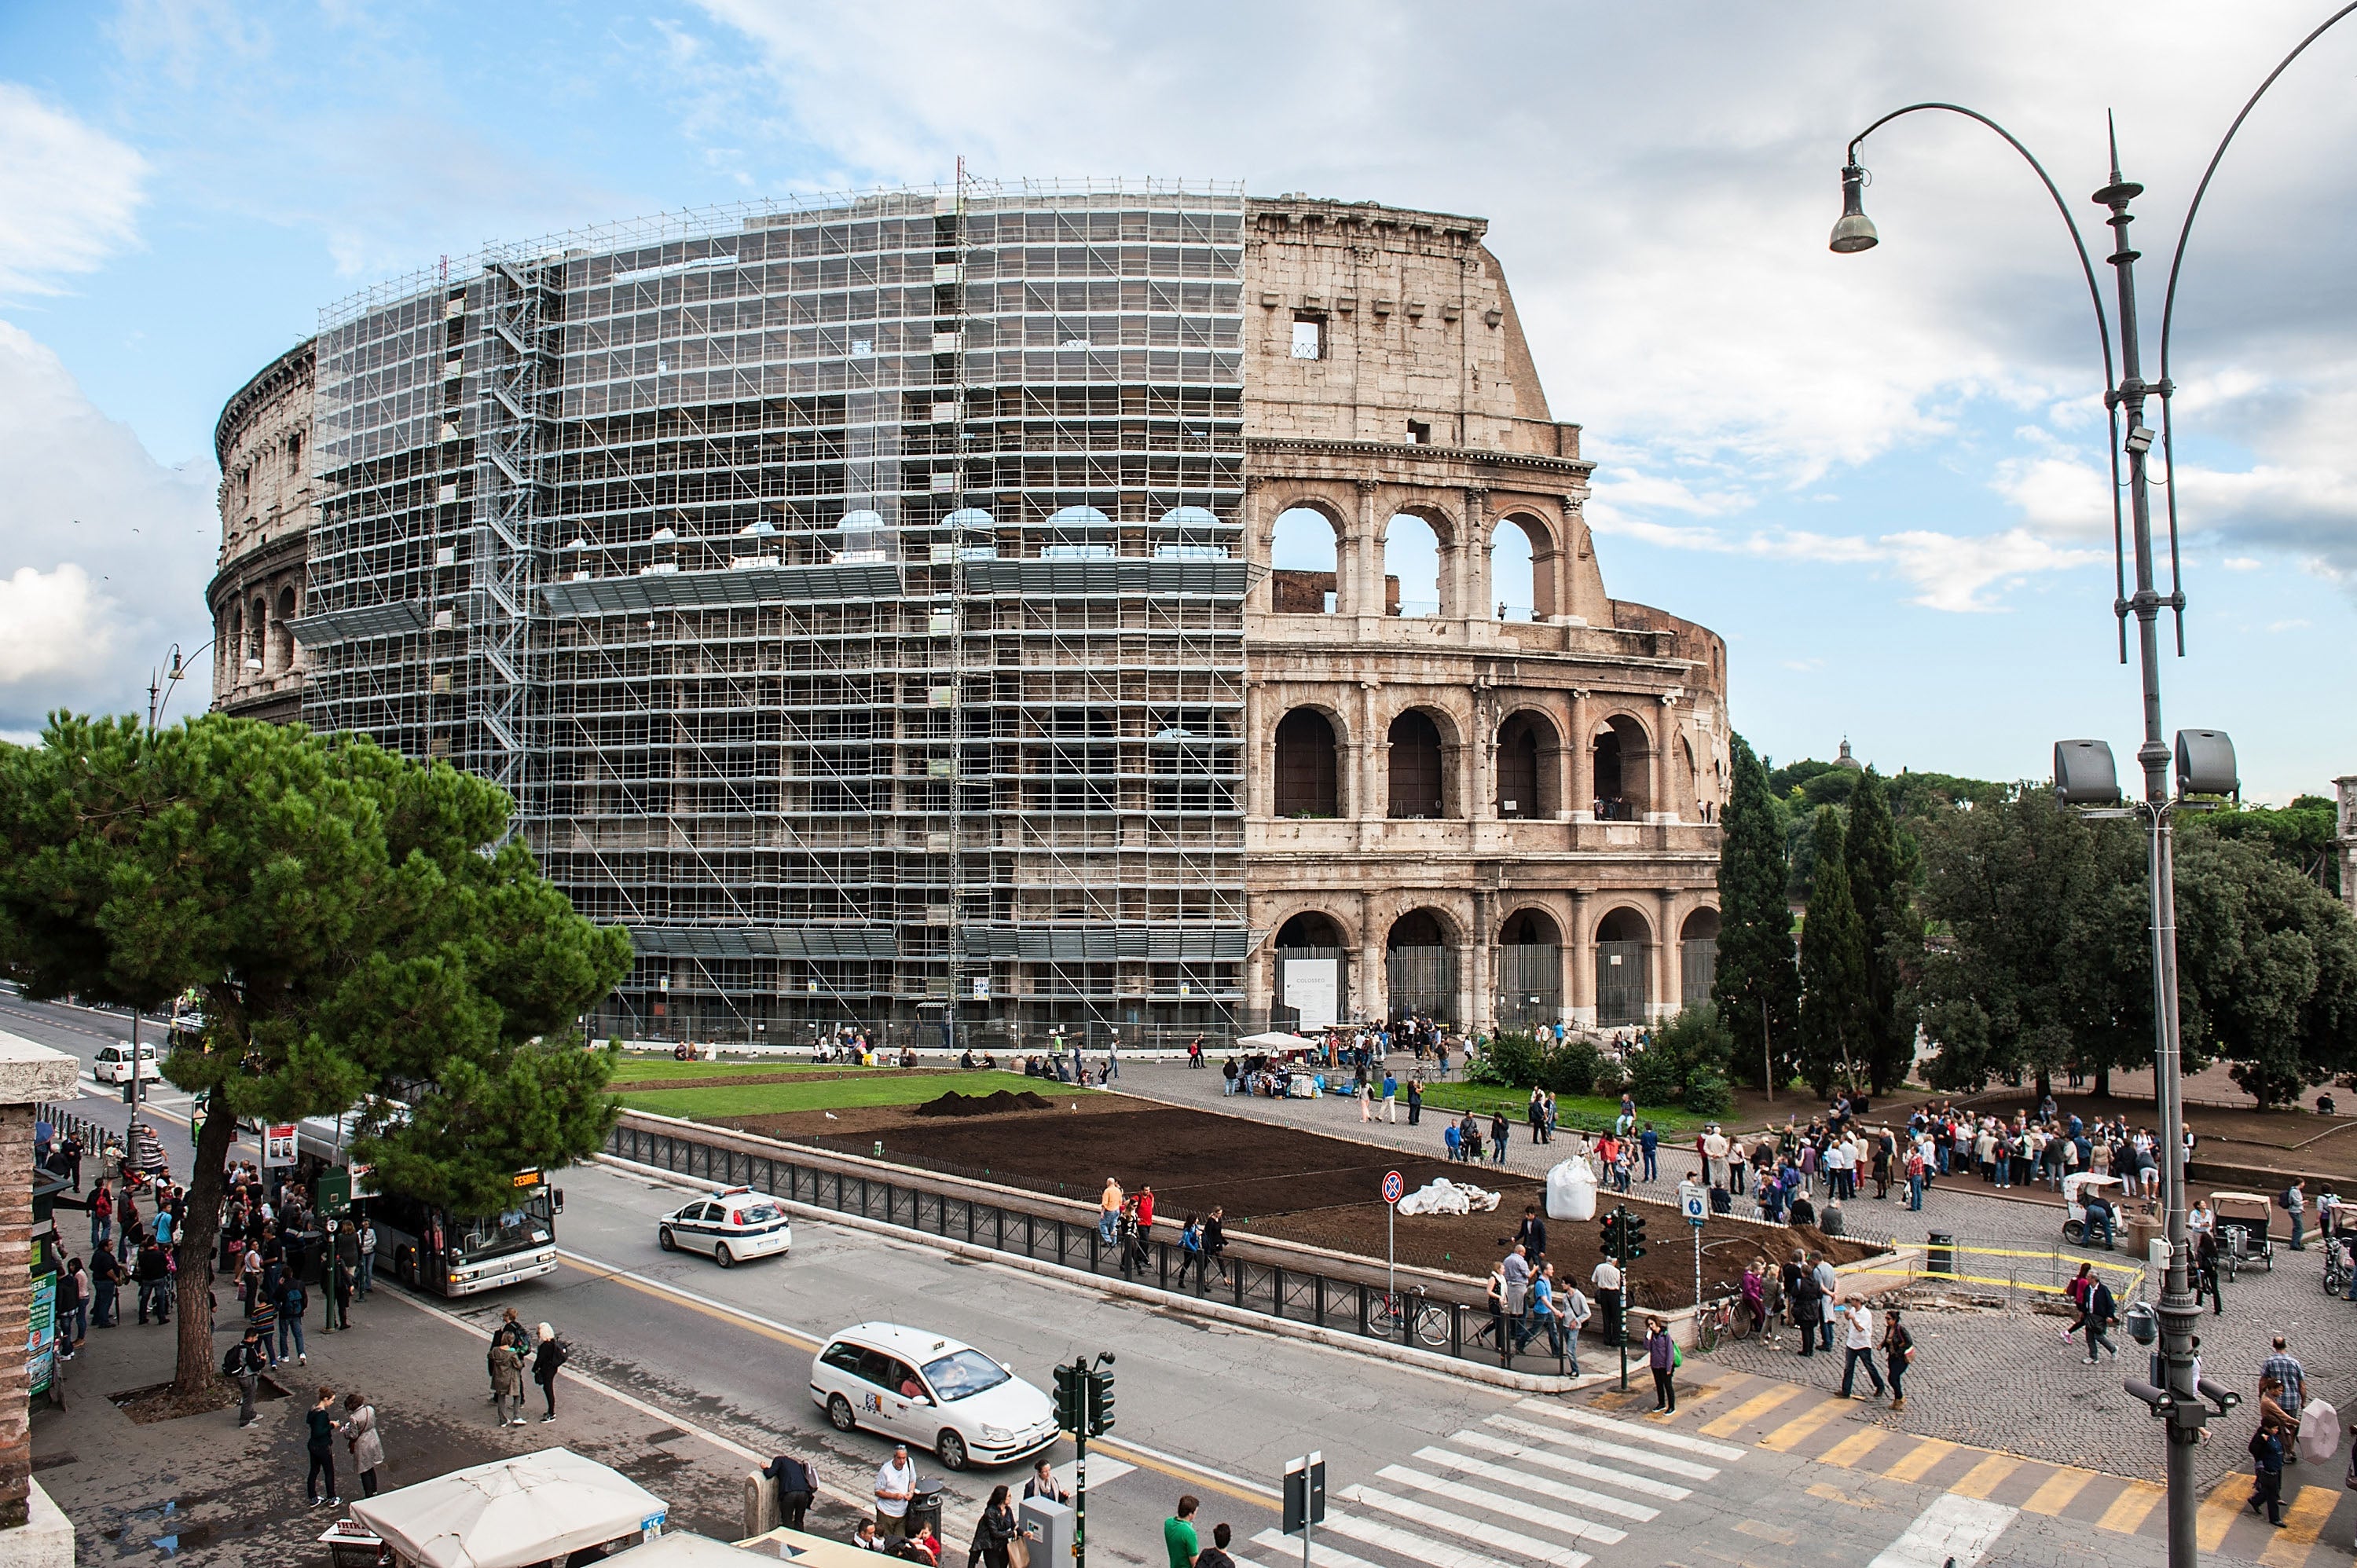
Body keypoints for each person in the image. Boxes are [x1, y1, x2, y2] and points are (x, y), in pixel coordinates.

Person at [2248, 1394, 2287, 1526]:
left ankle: (2256, 1500)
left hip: (2276, 1466)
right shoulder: (2262, 1437)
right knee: (2273, 1494)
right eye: (2275, 1428)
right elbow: (2253, 1449)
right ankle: (2275, 1518)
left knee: (2270, 1490)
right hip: (2267, 1468)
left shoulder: (2273, 1435)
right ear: (2267, 1428)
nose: (2277, 1430)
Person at [1838, 1300, 1885, 1401]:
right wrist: (1847, 1316)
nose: (1851, 1302)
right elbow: (1849, 1319)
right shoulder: (1853, 1310)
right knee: (1848, 1368)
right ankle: (1846, 1391)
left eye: (1853, 1300)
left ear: (1858, 1301)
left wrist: (1853, 1318)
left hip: (1863, 1345)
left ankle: (1880, 1386)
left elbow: (1860, 1328)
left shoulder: (1866, 1314)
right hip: (1851, 1343)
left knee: (1869, 1366)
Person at [342, 1394, 384, 1498]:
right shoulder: (369, 1409)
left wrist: (345, 1432)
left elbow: (353, 1435)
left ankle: (368, 1493)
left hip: (362, 1444)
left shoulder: (353, 1418)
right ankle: (374, 1490)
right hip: (373, 1438)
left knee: (364, 1469)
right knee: (371, 1467)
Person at [305, 1386, 341, 1508]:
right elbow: (319, 1432)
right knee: (329, 1472)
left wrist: (327, 1424)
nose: (332, 1402)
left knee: (314, 1471)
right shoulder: (322, 1414)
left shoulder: (313, 1410)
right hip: (322, 1446)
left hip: (313, 1446)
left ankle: (313, 1497)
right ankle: (332, 1497)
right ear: (325, 1399)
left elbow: (313, 1425)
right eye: (331, 1400)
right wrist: (332, 1426)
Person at [764, 1453, 819, 1529]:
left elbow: (769, 1474)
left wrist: (765, 1468)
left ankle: (788, 1538)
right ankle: (800, 1538)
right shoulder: (796, 1464)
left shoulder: (778, 1460)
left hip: (789, 1493)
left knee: (787, 1521)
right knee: (799, 1521)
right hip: (804, 1493)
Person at [225, 1328, 267, 1427]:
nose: (257, 1340)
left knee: (248, 1397)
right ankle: (244, 1422)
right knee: (249, 1399)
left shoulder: (240, 1347)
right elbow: (255, 1366)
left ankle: (251, 1414)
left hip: (241, 1376)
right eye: (256, 1338)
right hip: (248, 1377)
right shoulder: (249, 1350)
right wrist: (263, 1360)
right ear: (251, 1338)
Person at [875, 1443, 917, 1537]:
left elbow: (912, 1481)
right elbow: (878, 1491)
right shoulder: (886, 1470)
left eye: (904, 1458)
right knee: (886, 1541)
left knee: (900, 1543)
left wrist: (911, 1492)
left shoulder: (909, 1463)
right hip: (886, 1513)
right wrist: (894, 1496)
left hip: (902, 1514)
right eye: (899, 1458)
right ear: (894, 1457)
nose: (902, 1461)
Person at [971, 1484, 1018, 1568]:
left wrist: (1024, 1533)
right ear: (1002, 1498)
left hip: (1004, 1548)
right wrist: (1012, 1534)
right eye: (1009, 1496)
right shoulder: (991, 1512)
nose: (1011, 1497)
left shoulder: (1008, 1510)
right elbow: (995, 1533)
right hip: (992, 1549)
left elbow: (1013, 1525)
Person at [2080, 1273, 2119, 1363]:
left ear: (2094, 1279)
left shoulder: (2103, 1290)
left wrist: (2110, 1315)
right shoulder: (2088, 1288)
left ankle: (2113, 1349)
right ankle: (2093, 1357)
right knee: (2089, 1337)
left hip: (2100, 1317)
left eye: (2089, 1277)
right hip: (2089, 1315)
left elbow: (2110, 1303)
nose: (2087, 1279)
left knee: (2099, 1336)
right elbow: (2085, 1301)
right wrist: (2083, 1311)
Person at [532, 1321, 566, 1422]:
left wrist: (534, 1369)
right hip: (552, 1369)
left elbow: (540, 1359)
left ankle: (551, 1413)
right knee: (548, 1388)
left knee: (548, 1390)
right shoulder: (552, 1342)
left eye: (538, 1332)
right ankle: (550, 1411)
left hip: (547, 1370)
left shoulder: (545, 1346)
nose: (537, 1334)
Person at [2261, 1336, 2305, 1414]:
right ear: (2285, 1345)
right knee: (2291, 1423)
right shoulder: (2295, 1363)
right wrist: (2303, 1402)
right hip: (2292, 1402)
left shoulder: (2269, 1362)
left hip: (2274, 1402)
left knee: (2275, 1425)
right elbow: (2302, 1385)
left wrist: (2261, 1396)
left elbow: (2262, 1383)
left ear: (2273, 1345)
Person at [1881, 1306, 1914, 1412]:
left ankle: (1900, 1398)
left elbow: (1909, 1342)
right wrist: (1882, 1345)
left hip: (1900, 1358)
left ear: (1894, 1320)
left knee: (1892, 1378)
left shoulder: (1901, 1329)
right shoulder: (1889, 1329)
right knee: (1895, 1379)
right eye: (1886, 1318)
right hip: (1892, 1357)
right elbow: (1887, 1339)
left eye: (1888, 1319)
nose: (1886, 1321)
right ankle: (1897, 1400)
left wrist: (1899, 1351)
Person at [491, 1338, 526, 1427]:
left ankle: (503, 1420)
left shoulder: (495, 1350)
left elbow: (490, 1355)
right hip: (511, 1379)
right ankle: (516, 1417)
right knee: (517, 1395)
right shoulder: (512, 1354)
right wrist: (522, 1363)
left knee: (501, 1397)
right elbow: (518, 1365)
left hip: (499, 1378)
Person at [1645, 1317, 1676, 1412]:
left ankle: (1671, 1406)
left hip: (1665, 1365)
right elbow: (1647, 1347)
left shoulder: (1665, 1335)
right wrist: (1648, 1336)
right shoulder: (1651, 1335)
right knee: (1659, 1385)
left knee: (1668, 1386)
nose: (1650, 1326)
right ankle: (1661, 1403)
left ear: (1656, 1323)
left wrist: (1669, 1367)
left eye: (1652, 1324)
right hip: (1655, 1364)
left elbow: (1670, 1352)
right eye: (1649, 1325)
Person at [279, 1272, 310, 1366]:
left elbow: (276, 1298)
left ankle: (285, 1356)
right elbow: (305, 1298)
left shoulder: (283, 1286)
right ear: (292, 1274)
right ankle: (301, 1353)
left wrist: (280, 1285)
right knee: (298, 1334)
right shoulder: (299, 1284)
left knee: (284, 1334)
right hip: (297, 1313)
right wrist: (302, 1310)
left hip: (285, 1314)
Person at [1165, 1495, 1200, 1568]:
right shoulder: (1189, 1532)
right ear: (1190, 1514)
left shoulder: (1168, 1522)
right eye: (1196, 1511)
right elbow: (1195, 1563)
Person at [1098, 1180, 1124, 1245]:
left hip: (1109, 1210)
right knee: (1114, 1226)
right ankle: (1114, 1242)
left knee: (1102, 1224)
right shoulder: (1118, 1190)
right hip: (1117, 1210)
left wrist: (1102, 1212)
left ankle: (1108, 1240)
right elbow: (1120, 1201)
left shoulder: (1107, 1191)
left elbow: (1105, 1203)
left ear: (1108, 1183)